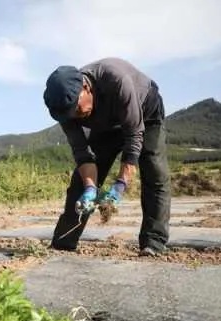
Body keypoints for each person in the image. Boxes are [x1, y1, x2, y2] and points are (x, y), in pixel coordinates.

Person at [43, 57, 171, 256]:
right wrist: (90, 188)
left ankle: (153, 241)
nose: (75, 116)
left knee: (154, 172)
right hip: (106, 125)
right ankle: (64, 242)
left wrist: (120, 185)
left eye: (77, 109)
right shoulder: (64, 109)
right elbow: (83, 154)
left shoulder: (116, 80)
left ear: (85, 87)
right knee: (79, 182)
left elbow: (134, 136)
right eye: (70, 115)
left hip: (144, 112)